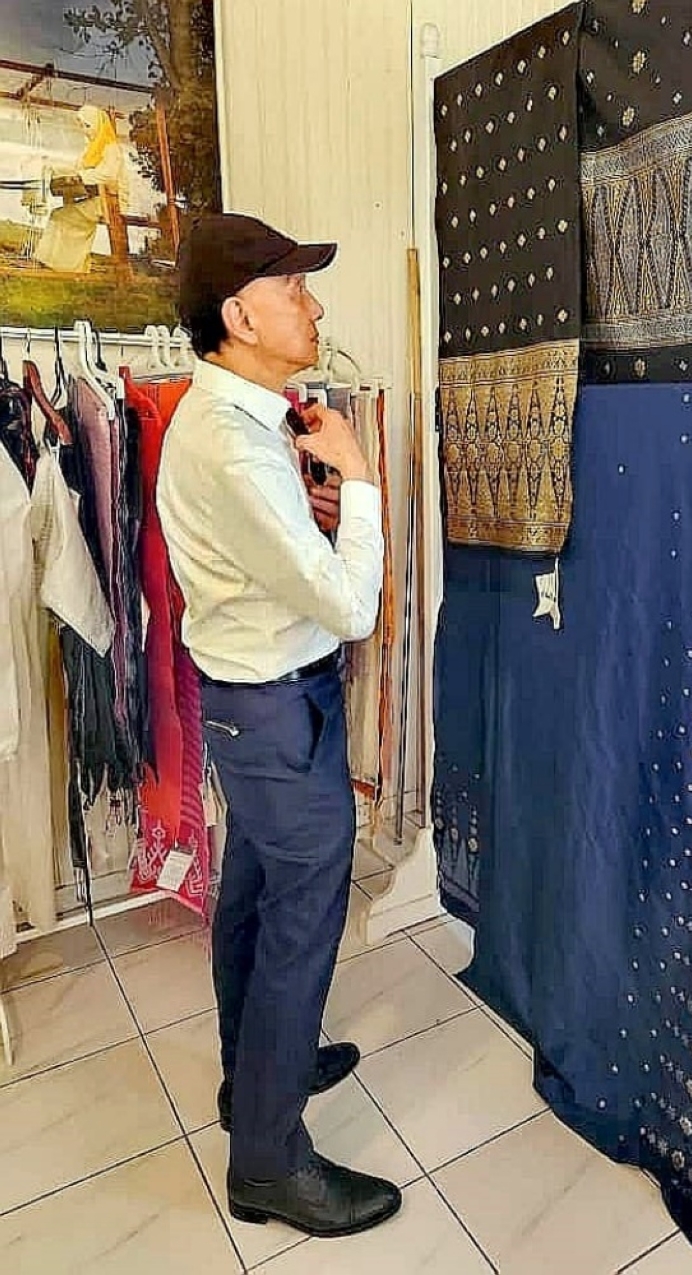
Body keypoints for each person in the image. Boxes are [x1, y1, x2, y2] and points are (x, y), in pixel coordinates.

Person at [157, 213, 400, 1238]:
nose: (313, 306)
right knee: (300, 919)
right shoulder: (233, 444)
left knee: (255, 901)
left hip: (258, 707)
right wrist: (363, 479)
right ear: (238, 313)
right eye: (294, 289)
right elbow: (349, 610)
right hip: (272, 708)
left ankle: (256, 1075)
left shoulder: (243, 424)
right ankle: (267, 1160)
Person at [36, 104, 128, 274]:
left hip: (112, 201)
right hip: (98, 199)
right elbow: (77, 167)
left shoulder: (111, 148)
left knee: (63, 215)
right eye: (83, 127)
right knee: (59, 214)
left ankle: (67, 265)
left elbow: (108, 175)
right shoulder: (92, 149)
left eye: (88, 126)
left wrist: (82, 177)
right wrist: (54, 167)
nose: (85, 131)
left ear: (98, 125)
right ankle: (54, 262)